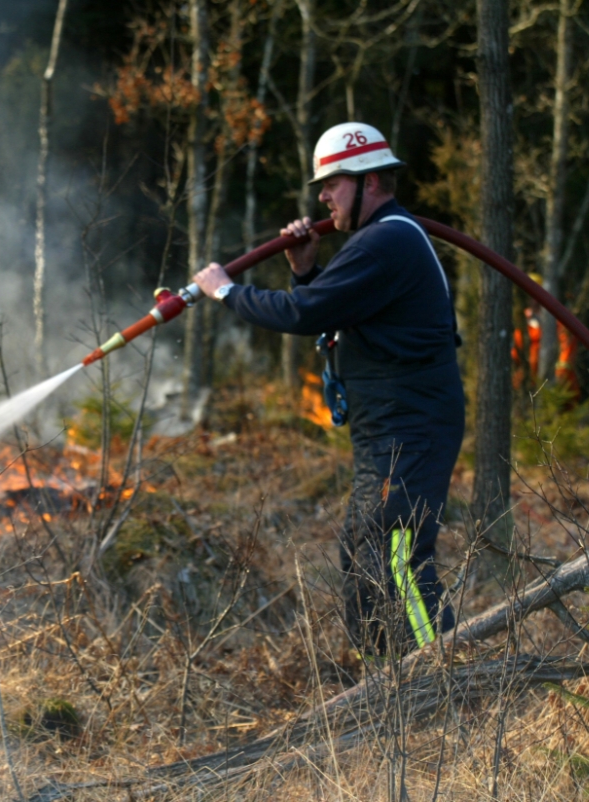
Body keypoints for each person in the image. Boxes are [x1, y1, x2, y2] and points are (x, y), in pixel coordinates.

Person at [192, 122, 464, 657]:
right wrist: (305, 269)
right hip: (387, 433)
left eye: (332, 183)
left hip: (410, 431)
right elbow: (336, 309)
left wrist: (226, 291)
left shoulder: (386, 241)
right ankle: (386, 681)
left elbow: (304, 314)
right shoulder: (377, 241)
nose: (322, 197)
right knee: (362, 553)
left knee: (396, 558)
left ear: (370, 182)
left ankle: (445, 679)